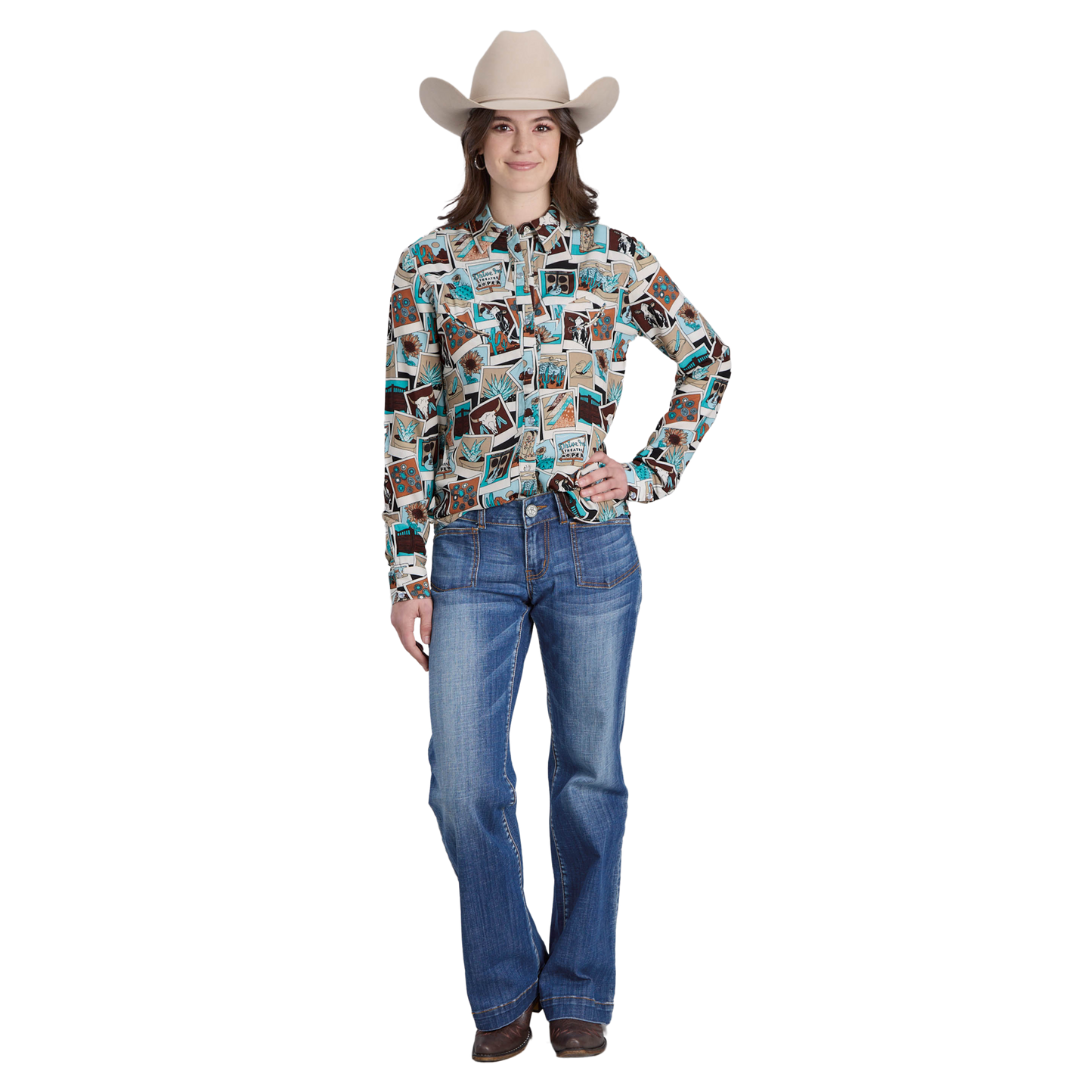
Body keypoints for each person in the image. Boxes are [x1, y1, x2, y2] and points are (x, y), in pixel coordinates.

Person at [383, 30, 732, 1061]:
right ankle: (503, 986)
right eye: (504, 126)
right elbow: (407, 425)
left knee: (589, 773)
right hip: (471, 548)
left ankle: (579, 987)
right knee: (463, 784)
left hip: (590, 547)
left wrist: (648, 471)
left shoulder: (614, 256)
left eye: (543, 125)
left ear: (565, 139)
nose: (524, 143)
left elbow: (708, 358)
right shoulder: (427, 267)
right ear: (477, 143)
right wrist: (407, 571)